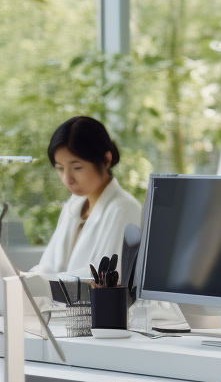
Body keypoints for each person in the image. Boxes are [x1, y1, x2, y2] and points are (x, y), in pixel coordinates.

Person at [28, 117, 143, 280]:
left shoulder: (124, 209)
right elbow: (50, 266)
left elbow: (111, 283)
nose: (68, 179)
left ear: (106, 160)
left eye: (77, 168)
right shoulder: (74, 205)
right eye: (60, 169)